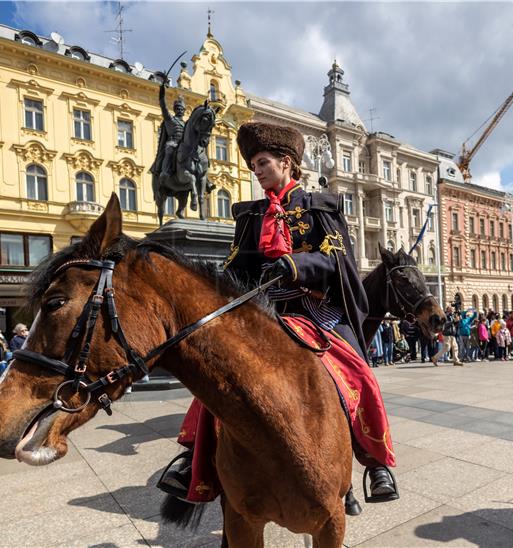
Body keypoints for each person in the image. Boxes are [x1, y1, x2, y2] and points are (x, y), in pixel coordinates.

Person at [158, 122, 397, 505]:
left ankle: (374, 463)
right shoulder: (251, 217)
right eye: (254, 165)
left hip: (316, 310)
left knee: (360, 372)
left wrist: (295, 264)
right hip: (266, 314)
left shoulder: (320, 207)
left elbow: (339, 260)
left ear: (287, 163)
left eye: (263, 163)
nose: (258, 171)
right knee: (219, 374)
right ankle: (190, 458)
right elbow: (237, 267)